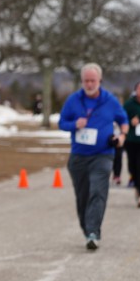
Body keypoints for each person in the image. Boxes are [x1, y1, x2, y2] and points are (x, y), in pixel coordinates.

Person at [57, 63, 129, 250]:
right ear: (82, 81)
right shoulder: (73, 100)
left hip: (103, 154)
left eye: (93, 81)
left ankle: (93, 232)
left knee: (98, 192)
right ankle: (87, 229)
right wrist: (74, 124)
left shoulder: (110, 100)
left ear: (100, 81)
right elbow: (62, 123)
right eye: (86, 81)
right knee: (83, 196)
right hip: (79, 156)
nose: (89, 84)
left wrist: (122, 136)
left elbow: (123, 120)